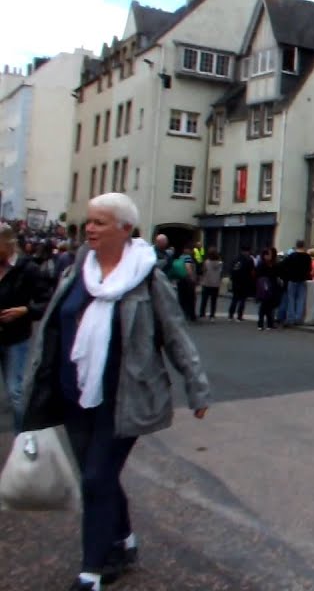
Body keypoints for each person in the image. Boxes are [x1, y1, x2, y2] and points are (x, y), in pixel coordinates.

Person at [20, 193, 210, 591]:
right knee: (101, 477)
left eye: (99, 222)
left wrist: (197, 387)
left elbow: (176, 336)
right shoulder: (77, 270)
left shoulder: (147, 277)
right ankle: (124, 539)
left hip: (125, 398)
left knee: (95, 478)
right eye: (89, 222)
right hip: (73, 396)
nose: (89, 229)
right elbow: (55, 326)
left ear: (125, 229)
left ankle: (91, 570)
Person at [1, 223, 52, 430]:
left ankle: (22, 437)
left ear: (7, 244)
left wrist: (25, 310)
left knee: (16, 391)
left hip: (16, 338)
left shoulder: (28, 269)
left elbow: (47, 301)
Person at [280, 240, 312, 326]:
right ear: (303, 246)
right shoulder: (307, 257)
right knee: (300, 299)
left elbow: (283, 266)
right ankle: (298, 318)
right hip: (302, 280)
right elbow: (309, 269)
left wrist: (287, 275)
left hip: (292, 279)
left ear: (296, 246)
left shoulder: (291, 256)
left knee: (291, 299)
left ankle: (291, 318)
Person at [255, 248, 282, 331]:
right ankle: (261, 323)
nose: (269, 256)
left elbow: (277, 274)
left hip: (272, 287)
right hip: (265, 287)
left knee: (269, 306)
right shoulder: (262, 264)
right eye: (267, 254)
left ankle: (269, 323)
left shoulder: (274, 264)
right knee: (264, 306)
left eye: (270, 254)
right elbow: (258, 275)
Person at [227, 245, 255, 322]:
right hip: (245, 282)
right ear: (248, 251)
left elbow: (231, 270)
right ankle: (239, 316)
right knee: (242, 299)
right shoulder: (249, 260)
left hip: (236, 281)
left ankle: (230, 315)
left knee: (235, 299)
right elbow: (252, 272)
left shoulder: (235, 259)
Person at [169, 245, 197, 322]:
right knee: (190, 298)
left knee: (182, 297)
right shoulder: (188, 257)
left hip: (180, 280)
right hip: (187, 280)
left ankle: (182, 313)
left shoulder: (180, 257)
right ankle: (191, 315)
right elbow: (188, 268)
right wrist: (192, 277)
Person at [197, 250, 222, 319]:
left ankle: (202, 313)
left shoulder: (206, 262)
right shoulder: (220, 263)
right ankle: (212, 314)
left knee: (204, 300)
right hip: (215, 284)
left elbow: (203, 271)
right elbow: (220, 272)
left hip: (207, 283)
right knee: (213, 301)